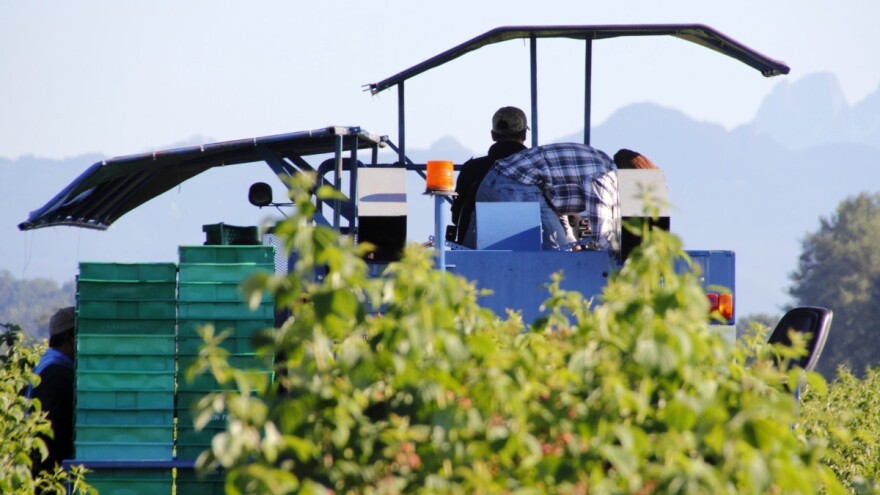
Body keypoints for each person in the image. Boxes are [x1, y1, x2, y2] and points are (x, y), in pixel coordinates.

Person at [469, 142, 619, 251]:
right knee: (559, 253)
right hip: (517, 183)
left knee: (471, 250)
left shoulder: (603, 161)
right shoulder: (605, 179)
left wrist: (570, 237)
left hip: (493, 178)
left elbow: (553, 198)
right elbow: (602, 238)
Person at [449, 106, 529, 245]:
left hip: (473, 249)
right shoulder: (536, 169)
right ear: (524, 134)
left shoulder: (471, 169)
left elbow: (457, 217)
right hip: (533, 249)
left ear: (493, 135)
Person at [28, 306, 76, 475]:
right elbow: (56, 436)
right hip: (49, 476)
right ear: (70, 339)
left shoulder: (45, 365)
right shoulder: (59, 374)